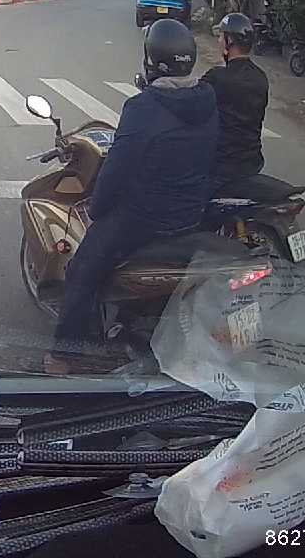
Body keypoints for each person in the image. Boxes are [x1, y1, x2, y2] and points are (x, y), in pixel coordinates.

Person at [44, 19, 218, 374]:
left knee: (81, 268)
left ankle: (65, 354)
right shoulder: (208, 100)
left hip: (144, 219)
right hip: (190, 214)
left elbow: (116, 170)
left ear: (151, 60)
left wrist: (97, 209)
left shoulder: (144, 108)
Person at [202, 13, 268, 186]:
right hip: (252, 162)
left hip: (221, 165)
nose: (218, 41)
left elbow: (192, 103)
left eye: (220, 37)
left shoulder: (217, 77)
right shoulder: (260, 77)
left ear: (229, 41)